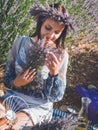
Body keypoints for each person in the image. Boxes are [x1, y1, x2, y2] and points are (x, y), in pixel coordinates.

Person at [1, 2, 73, 129]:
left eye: (57, 32)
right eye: (48, 28)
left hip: (37, 108)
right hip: (12, 98)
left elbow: (57, 96)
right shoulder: (20, 42)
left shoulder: (61, 55)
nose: (51, 36)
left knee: (7, 126)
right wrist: (16, 83)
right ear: (40, 23)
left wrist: (54, 73)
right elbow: (7, 77)